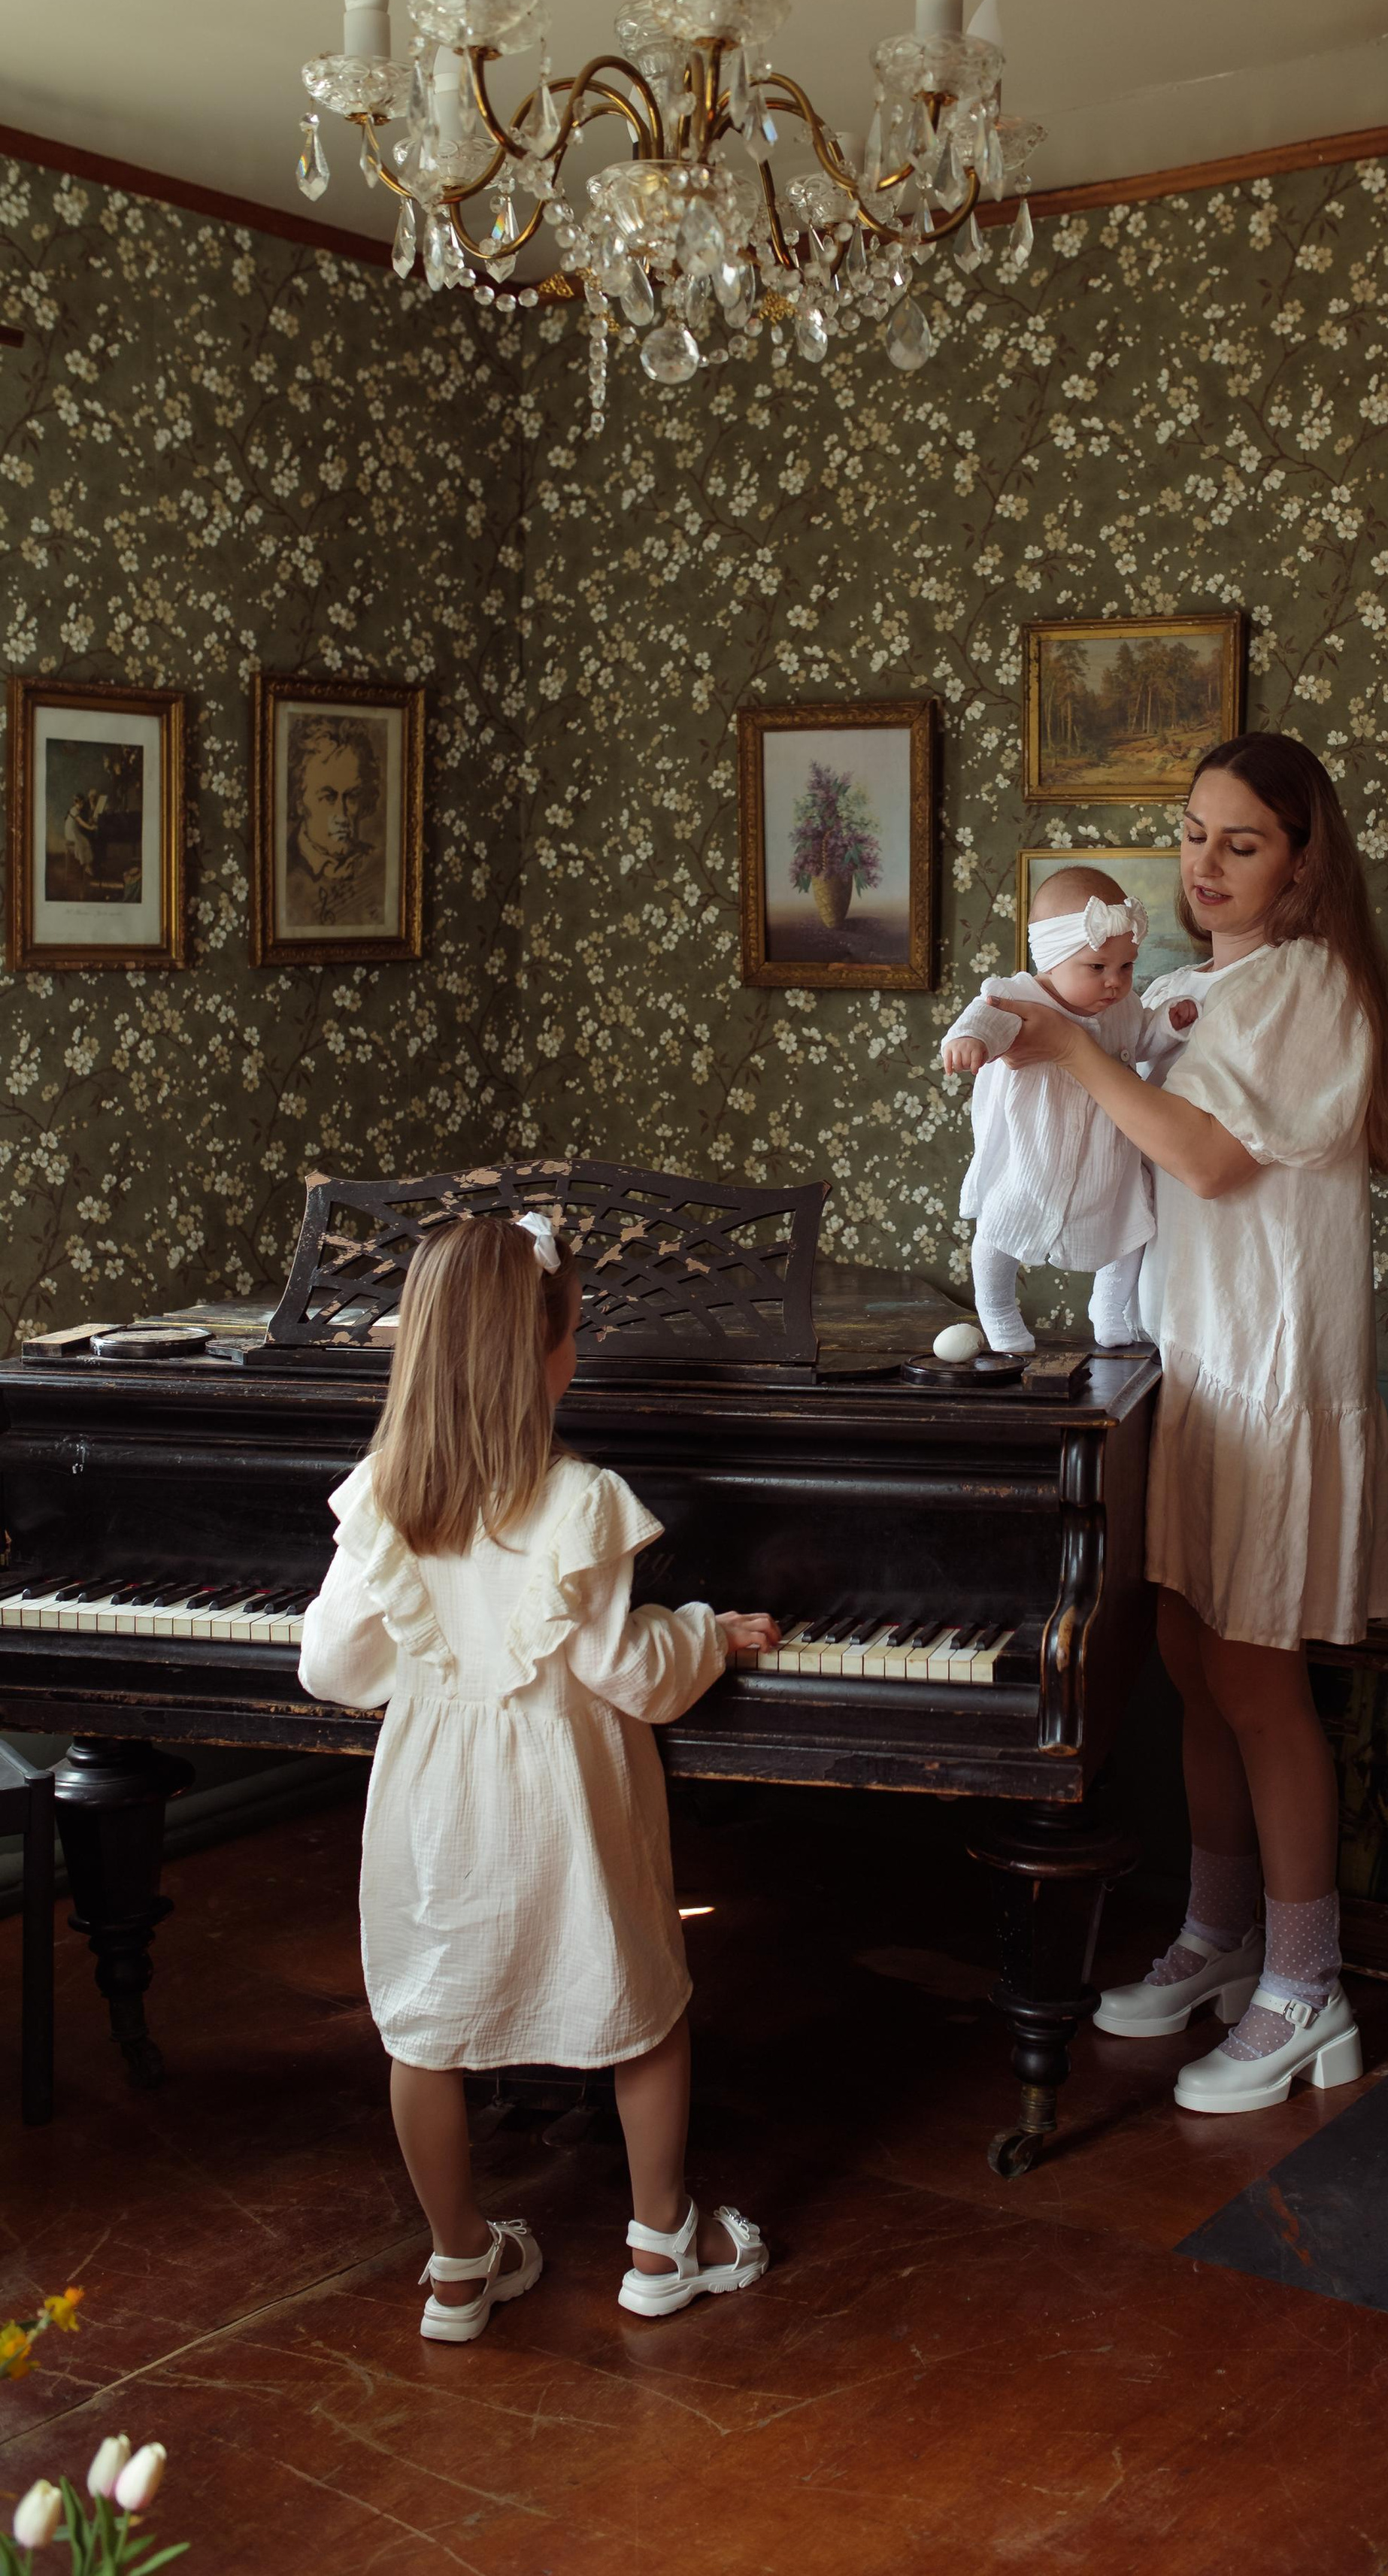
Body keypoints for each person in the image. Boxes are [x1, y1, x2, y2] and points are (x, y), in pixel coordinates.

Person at [993, 735, 1388, 2114]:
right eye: (1191, 835)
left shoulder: (1306, 985)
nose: (1206, 865)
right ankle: (1220, 1935)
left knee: (1256, 1678)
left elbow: (1213, 1160)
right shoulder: (1188, 989)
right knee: (1186, 1652)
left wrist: (1072, 1048)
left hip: (1270, 1372)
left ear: (1303, 859)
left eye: (1241, 842)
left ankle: (1308, 1986)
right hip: (1195, 1367)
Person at [297, 1211, 781, 2340]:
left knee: (425, 2032)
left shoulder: (380, 1497)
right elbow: (634, 1675)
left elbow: (333, 1666)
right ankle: (665, 2248)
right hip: (569, 1808)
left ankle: (460, 2267)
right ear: (552, 1356)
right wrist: (705, 1630)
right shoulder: (581, 1501)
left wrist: (431, 1649)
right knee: (641, 2008)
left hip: (436, 1808)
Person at [938, 865, 1197, 1353]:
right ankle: (995, 1309)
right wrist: (969, 1039)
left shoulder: (1120, 1007)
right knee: (1000, 1228)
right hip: (1033, 1150)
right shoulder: (1015, 995)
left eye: (1126, 967)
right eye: (1098, 967)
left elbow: (1142, 1040)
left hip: (1103, 1153)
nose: (1115, 983)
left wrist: (1168, 1024)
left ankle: (1109, 1305)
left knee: (1133, 1225)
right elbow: (982, 1018)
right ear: (1052, 957)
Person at [283, 714, 383, 930]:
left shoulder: (378, 865)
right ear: (299, 802)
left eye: (352, 796)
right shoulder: (284, 874)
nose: (341, 813)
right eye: (328, 797)